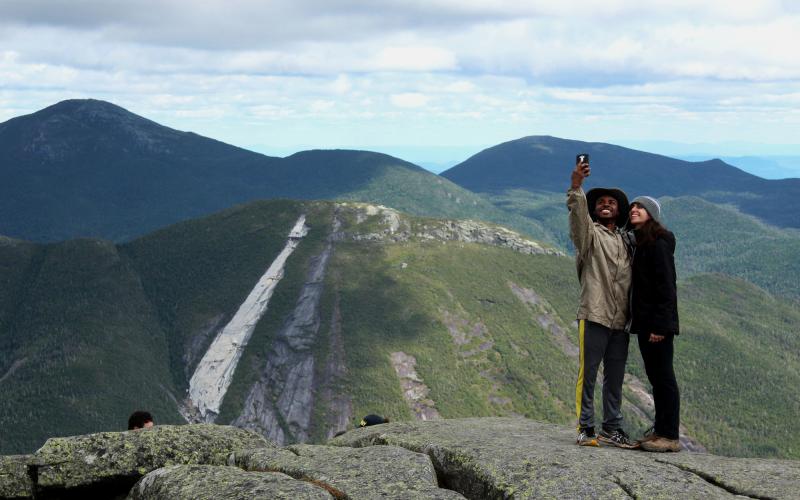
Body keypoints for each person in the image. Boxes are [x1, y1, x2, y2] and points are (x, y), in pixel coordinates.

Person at [567, 156, 638, 449]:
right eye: (601, 202)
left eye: (611, 202)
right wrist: (576, 186)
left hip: (621, 320)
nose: (605, 204)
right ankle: (586, 427)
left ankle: (612, 428)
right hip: (594, 314)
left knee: (615, 377)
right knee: (589, 373)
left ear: (618, 211)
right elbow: (578, 219)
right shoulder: (590, 236)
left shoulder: (626, 241)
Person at [628, 196, 681, 452]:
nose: (634, 210)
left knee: (663, 378)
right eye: (632, 207)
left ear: (651, 214)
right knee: (656, 377)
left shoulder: (658, 244)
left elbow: (667, 287)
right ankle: (660, 430)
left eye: (640, 207)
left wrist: (662, 326)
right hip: (647, 323)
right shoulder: (642, 242)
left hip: (657, 325)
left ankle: (670, 436)